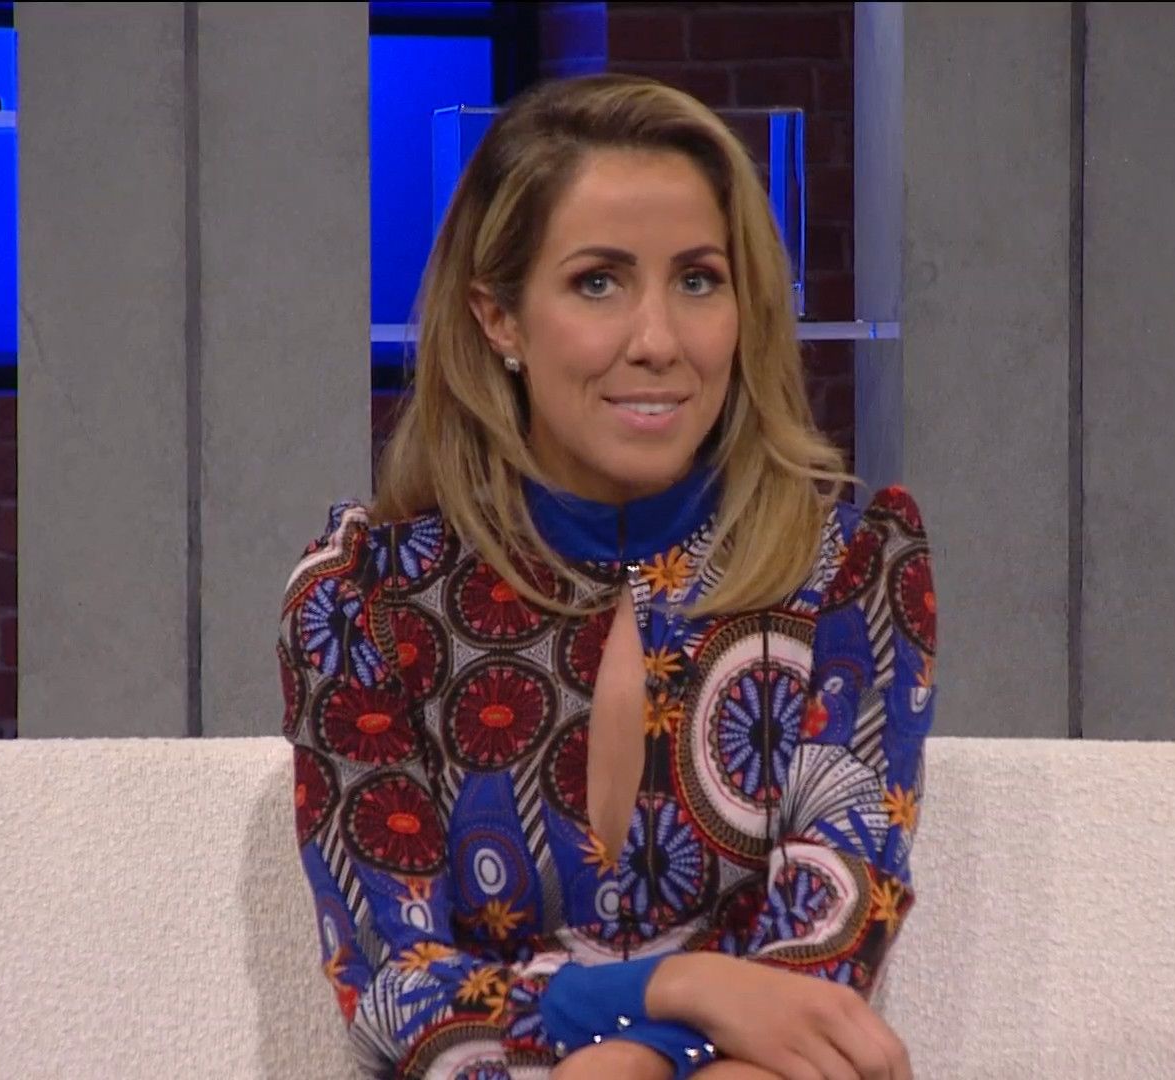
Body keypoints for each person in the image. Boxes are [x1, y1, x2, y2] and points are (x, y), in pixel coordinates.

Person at [278, 72, 936, 1080]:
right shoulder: (365, 600)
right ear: (498, 318)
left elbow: (825, 953)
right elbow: (396, 986)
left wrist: (646, 1053)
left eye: (699, 281)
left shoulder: (851, 575)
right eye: (598, 283)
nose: (658, 342)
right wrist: (673, 990)